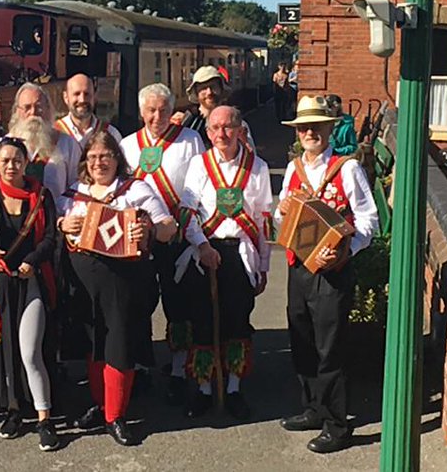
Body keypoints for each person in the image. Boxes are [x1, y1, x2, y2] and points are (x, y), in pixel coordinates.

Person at [276, 94, 379, 454]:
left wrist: (345, 250)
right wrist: (281, 209)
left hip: (333, 273)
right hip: (298, 268)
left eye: (316, 126)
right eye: (304, 127)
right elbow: (279, 217)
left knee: (330, 348)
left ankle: (337, 425)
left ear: (329, 129)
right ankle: (313, 409)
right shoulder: (293, 169)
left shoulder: (347, 168)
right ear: (297, 132)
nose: (310, 133)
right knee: (302, 339)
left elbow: (369, 221)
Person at [59, 131, 175, 446]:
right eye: (93, 157)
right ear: (85, 161)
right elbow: (51, 225)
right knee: (93, 343)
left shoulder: (135, 189)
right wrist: (61, 225)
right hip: (84, 284)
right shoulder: (73, 194)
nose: (99, 163)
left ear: (117, 159)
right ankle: (101, 406)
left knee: (119, 345)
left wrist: (149, 229)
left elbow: (169, 227)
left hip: (124, 283)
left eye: (105, 156)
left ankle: (116, 415)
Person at [178, 105, 273, 421]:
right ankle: (205, 389)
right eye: (215, 128)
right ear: (207, 132)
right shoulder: (199, 164)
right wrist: (202, 246)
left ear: (240, 130)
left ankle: (233, 389)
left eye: (228, 127)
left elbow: (263, 220)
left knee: (238, 323)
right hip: (205, 254)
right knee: (203, 322)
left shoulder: (257, 167)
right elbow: (187, 211)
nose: (222, 134)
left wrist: (263, 266)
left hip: (241, 254)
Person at [0, 136, 61, 452]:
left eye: (17, 160)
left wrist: (31, 261)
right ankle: (13, 411)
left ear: (26, 163)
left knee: (29, 352)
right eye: (5, 160)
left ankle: (44, 419)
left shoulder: (42, 195)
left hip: (32, 279)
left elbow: (50, 238)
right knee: (6, 351)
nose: (11, 166)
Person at [119, 83, 206, 404]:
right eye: (151, 110)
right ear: (141, 111)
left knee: (178, 303)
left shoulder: (190, 140)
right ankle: (141, 366)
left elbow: (199, 185)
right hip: (138, 240)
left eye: (164, 110)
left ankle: (180, 368)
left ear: (173, 110)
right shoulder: (128, 144)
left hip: (176, 236)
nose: (157, 117)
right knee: (138, 303)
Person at [8, 82, 80, 206]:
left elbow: (77, 187)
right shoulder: (6, 145)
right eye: (27, 107)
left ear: (48, 108)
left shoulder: (67, 144)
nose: (33, 112)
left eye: (39, 106)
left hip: (57, 215)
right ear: (17, 111)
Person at [175, 65, 254, 149]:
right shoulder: (186, 123)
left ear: (221, 90)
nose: (209, 92)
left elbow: (250, 154)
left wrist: (244, 143)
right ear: (196, 93)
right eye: (203, 88)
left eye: (213, 87)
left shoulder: (236, 123)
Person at [56, 73, 121, 145]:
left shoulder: (111, 133)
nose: (82, 100)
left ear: (95, 96)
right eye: (77, 94)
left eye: (87, 94)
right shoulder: (55, 133)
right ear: (66, 97)